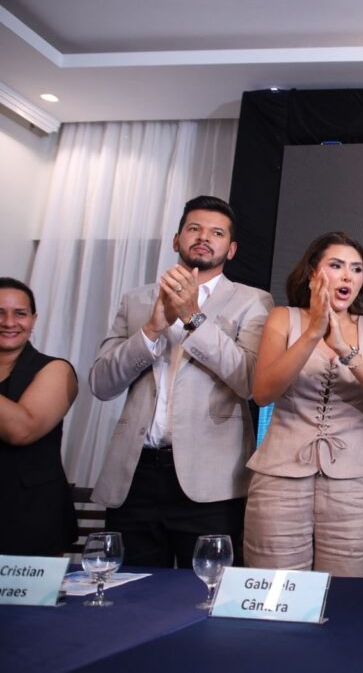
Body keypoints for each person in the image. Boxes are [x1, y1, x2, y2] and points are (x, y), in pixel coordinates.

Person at [90, 195, 274, 567]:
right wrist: (151, 329)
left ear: (231, 249)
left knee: (207, 590)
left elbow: (250, 383)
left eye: (217, 233)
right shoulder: (136, 300)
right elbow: (102, 384)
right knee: (132, 591)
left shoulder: (254, 301)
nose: (204, 237)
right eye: (194, 229)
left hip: (211, 482)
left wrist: (193, 318)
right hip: (135, 474)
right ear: (177, 240)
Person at [245, 232, 363, 577]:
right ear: (313, 273)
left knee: (348, 593)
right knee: (277, 590)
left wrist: (345, 349)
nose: (348, 276)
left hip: (353, 482)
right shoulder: (282, 318)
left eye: (356, 269)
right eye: (336, 265)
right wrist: (313, 333)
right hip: (279, 478)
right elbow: (263, 393)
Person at [0, 277, 78, 556]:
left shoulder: (56, 370)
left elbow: (22, 430)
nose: (9, 322)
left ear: (33, 319)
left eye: (20, 313)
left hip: (31, 519)